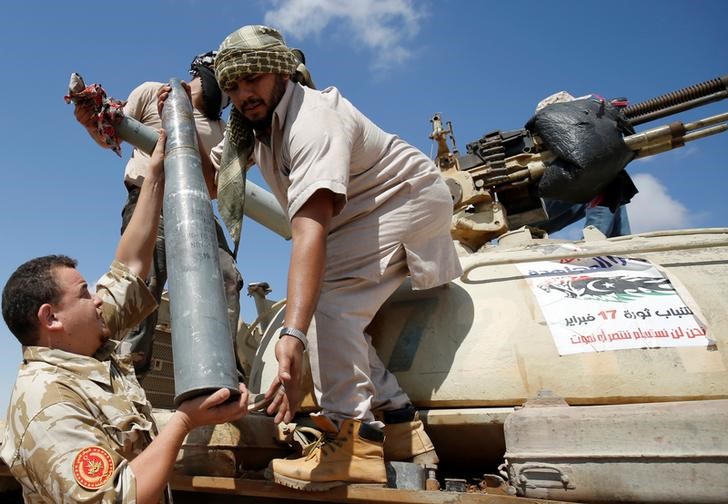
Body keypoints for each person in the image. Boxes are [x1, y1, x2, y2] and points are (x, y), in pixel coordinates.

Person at [160, 25, 463, 491]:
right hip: (357, 214)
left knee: (328, 303)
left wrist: (293, 333)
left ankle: (353, 440)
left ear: (281, 72)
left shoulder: (312, 120)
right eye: (234, 87)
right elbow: (213, 179)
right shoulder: (250, 129)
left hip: (403, 199)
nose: (244, 95)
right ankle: (399, 423)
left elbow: (309, 231)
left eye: (254, 80)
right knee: (324, 304)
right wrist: (179, 118)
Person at [0, 131, 249, 503]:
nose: (98, 301)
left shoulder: (83, 346)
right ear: (51, 318)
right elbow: (113, 498)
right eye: (84, 293)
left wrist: (156, 175)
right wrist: (183, 421)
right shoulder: (47, 402)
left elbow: (130, 266)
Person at [74, 51, 243, 374]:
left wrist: (183, 130)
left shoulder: (225, 130)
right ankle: (126, 371)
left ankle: (223, 374)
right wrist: (90, 120)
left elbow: (213, 188)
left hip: (197, 207)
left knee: (225, 277)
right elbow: (110, 133)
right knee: (143, 281)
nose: (229, 94)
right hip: (149, 199)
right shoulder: (151, 92)